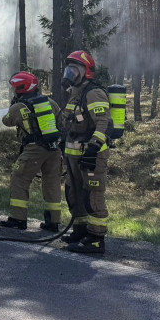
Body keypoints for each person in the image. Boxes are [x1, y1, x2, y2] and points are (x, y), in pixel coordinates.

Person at [59, 50, 110, 254]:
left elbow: (103, 121)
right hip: (73, 156)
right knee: (73, 193)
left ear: (86, 71)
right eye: (68, 69)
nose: (70, 73)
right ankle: (80, 230)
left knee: (92, 197)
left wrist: (94, 147)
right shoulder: (75, 94)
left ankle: (96, 238)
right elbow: (68, 122)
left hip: (91, 156)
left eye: (75, 69)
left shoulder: (93, 93)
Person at [0, 71, 63, 232]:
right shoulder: (50, 102)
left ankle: (18, 218)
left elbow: (6, 121)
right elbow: (61, 121)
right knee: (52, 183)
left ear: (20, 88)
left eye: (15, 89)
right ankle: (53, 222)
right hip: (55, 149)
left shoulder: (18, 107)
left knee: (19, 178)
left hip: (34, 149)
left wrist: (13, 105)